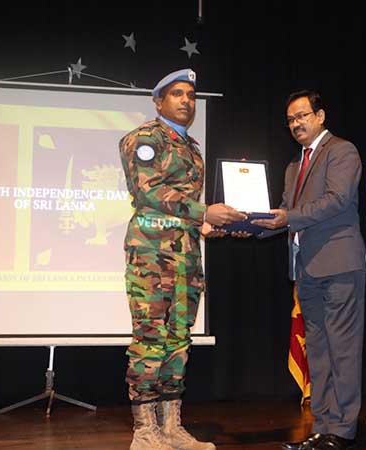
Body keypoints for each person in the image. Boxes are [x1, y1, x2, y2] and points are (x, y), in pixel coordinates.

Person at [119, 68, 246, 450]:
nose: (186, 100)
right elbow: (149, 194)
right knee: (149, 339)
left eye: (190, 94)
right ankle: (144, 433)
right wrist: (205, 212)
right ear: (159, 101)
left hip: (186, 254)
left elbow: (185, 209)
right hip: (151, 254)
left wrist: (208, 227)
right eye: (177, 93)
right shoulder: (143, 138)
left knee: (178, 339)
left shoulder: (192, 148)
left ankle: (171, 428)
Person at [253, 90, 366, 450]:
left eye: (302, 116)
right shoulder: (293, 166)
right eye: (290, 120)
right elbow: (285, 212)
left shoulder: (342, 151)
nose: (296, 124)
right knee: (317, 348)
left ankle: (343, 430)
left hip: (340, 264)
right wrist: (252, 223)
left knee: (343, 348)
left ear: (320, 116)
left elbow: (338, 199)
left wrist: (288, 216)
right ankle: (322, 426)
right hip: (306, 268)